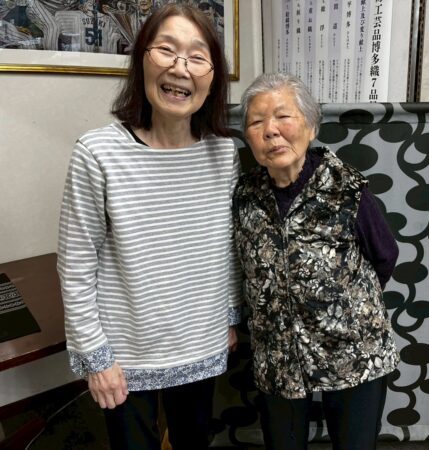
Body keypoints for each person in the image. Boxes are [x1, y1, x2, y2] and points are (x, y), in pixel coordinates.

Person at [57, 4, 241, 449]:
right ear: (141, 59)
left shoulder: (223, 153)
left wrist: (229, 318)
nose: (181, 68)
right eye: (166, 50)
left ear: (213, 76)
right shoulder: (97, 153)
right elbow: (76, 265)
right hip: (124, 355)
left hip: (200, 343)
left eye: (197, 57)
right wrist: (95, 357)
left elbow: (227, 249)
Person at [232, 73, 400, 450]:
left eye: (283, 116)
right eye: (257, 122)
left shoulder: (346, 188)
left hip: (354, 349)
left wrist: (343, 307)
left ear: (310, 127)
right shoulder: (244, 196)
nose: (271, 130)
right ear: (248, 137)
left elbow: (385, 255)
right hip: (278, 353)